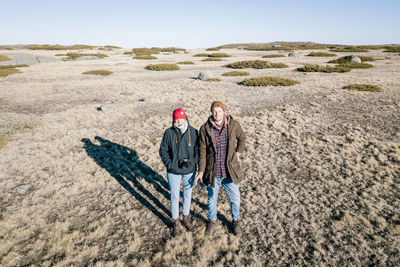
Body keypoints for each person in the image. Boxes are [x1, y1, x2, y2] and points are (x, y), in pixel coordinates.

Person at [195, 101, 246, 236]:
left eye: (219, 111)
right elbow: (202, 152)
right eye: (214, 111)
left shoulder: (234, 125)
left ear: (224, 112)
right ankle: (212, 221)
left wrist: (238, 152)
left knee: (235, 199)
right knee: (212, 198)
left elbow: (242, 138)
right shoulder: (205, 129)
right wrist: (201, 171)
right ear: (211, 112)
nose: (217, 114)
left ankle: (235, 222)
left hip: (230, 171)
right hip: (214, 172)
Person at [159, 108, 198, 237]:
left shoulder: (193, 132)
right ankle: (175, 221)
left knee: (187, 195)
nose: (179, 121)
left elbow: (198, 152)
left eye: (181, 118)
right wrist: (170, 164)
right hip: (173, 171)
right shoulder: (169, 133)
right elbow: (163, 150)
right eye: (176, 119)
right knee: (174, 196)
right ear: (173, 120)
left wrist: (193, 163)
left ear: (185, 118)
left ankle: (185, 218)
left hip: (189, 170)